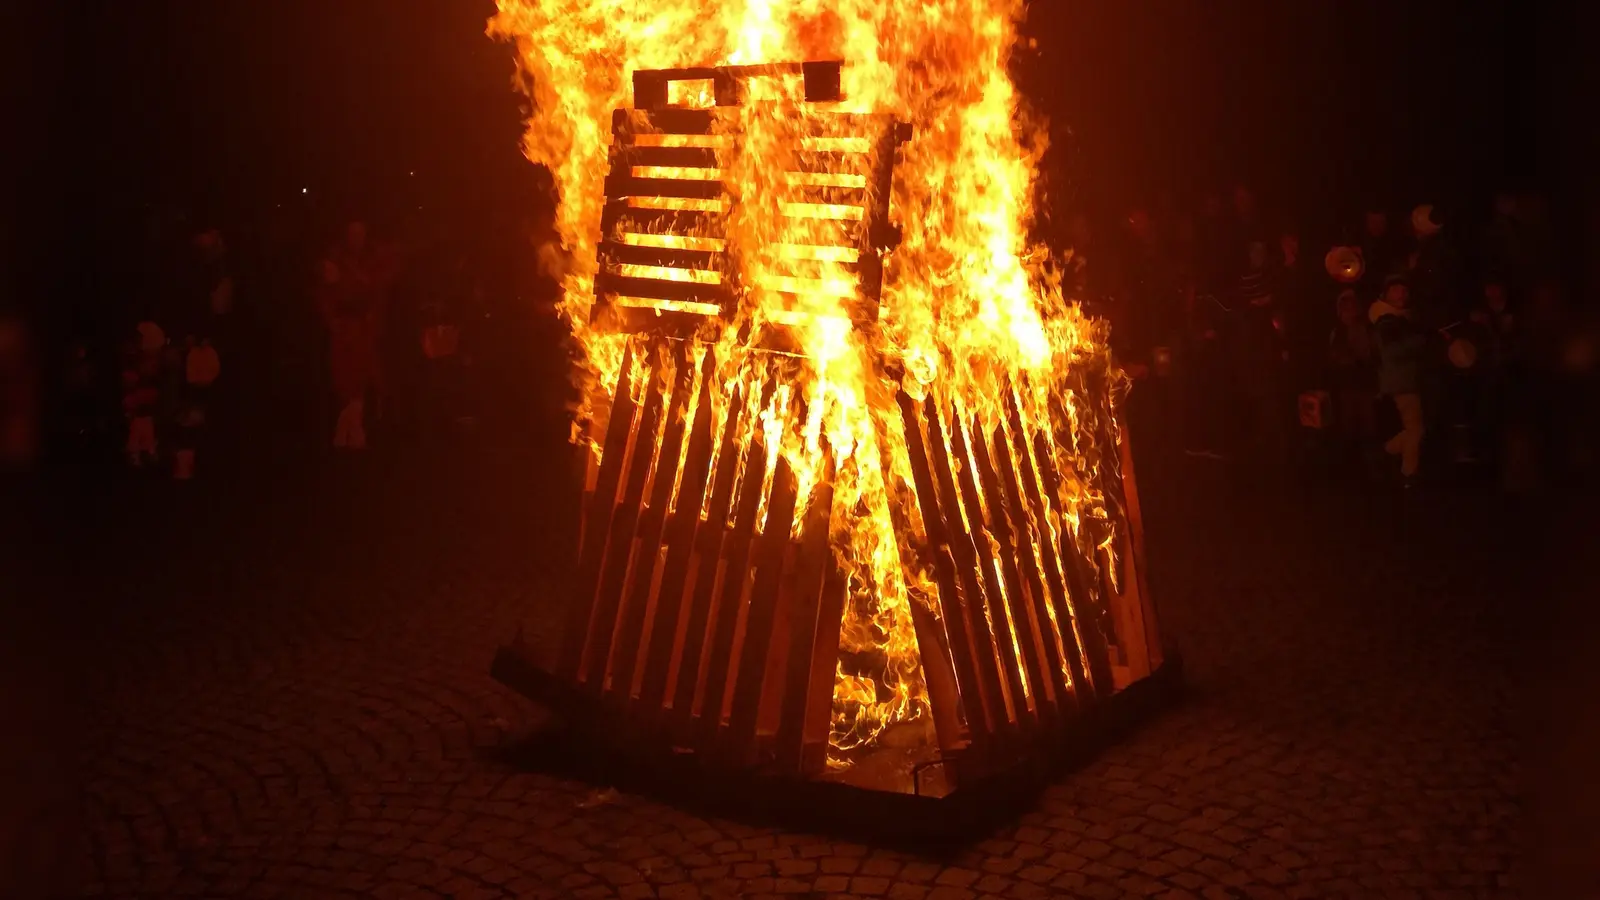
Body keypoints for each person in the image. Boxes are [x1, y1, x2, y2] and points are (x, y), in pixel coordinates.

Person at [1369, 275, 1431, 485]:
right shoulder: (1387, 321)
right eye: (1396, 289)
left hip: (1406, 381)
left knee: (1415, 429)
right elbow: (1393, 352)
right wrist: (1421, 342)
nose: (1402, 293)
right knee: (1416, 430)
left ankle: (1386, 452)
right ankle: (1408, 474)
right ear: (1386, 293)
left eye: (1405, 289)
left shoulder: (1401, 318)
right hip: (1403, 383)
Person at [1328, 289, 1377, 460]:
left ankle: (1370, 461)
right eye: (1345, 308)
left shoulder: (1367, 329)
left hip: (1365, 385)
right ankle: (1350, 463)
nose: (1349, 312)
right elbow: (1334, 358)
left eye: (1352, 307)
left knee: (1369, 426)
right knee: (1349, 425)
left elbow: (1372, 354)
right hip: (1347, 386)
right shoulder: (1337, 333)